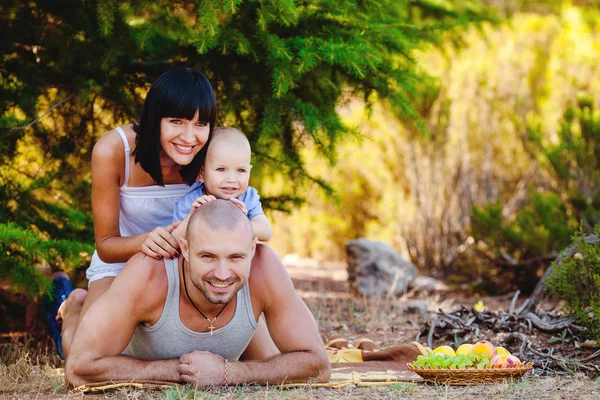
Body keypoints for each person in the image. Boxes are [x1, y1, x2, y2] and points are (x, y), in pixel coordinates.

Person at [43, 66, 217, 360]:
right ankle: (73, 306)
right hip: (122, 257)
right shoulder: (113, 150)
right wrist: (145, 242)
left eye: (201, 124)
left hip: (182, 264)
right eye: (176, 121)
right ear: (154, 118)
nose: (190, 137)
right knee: (83, 354)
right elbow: (106, 244)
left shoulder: (212, 152)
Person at [65, 200, 330, 387]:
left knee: (268, 357)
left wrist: (228, 373)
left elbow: (317, 364)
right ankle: (74, 307)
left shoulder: (265, 267)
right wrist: (181, 371)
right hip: (121, 338)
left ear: (252, 249)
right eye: (208, 256)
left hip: (231, 338)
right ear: (186, 249)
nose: (223, 273)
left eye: (236, 257)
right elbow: (79, 369)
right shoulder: (148, 273)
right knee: (70, 346)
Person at [173, 127, 272, 242]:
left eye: (241, 170)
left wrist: (241, 223)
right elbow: (175, 240)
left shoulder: (247, 197)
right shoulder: (191, 202)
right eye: (221, 169)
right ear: (201, 173)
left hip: (236, 258)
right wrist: (192, 218)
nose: (231, 179)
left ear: (249, 171)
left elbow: (266, 232)